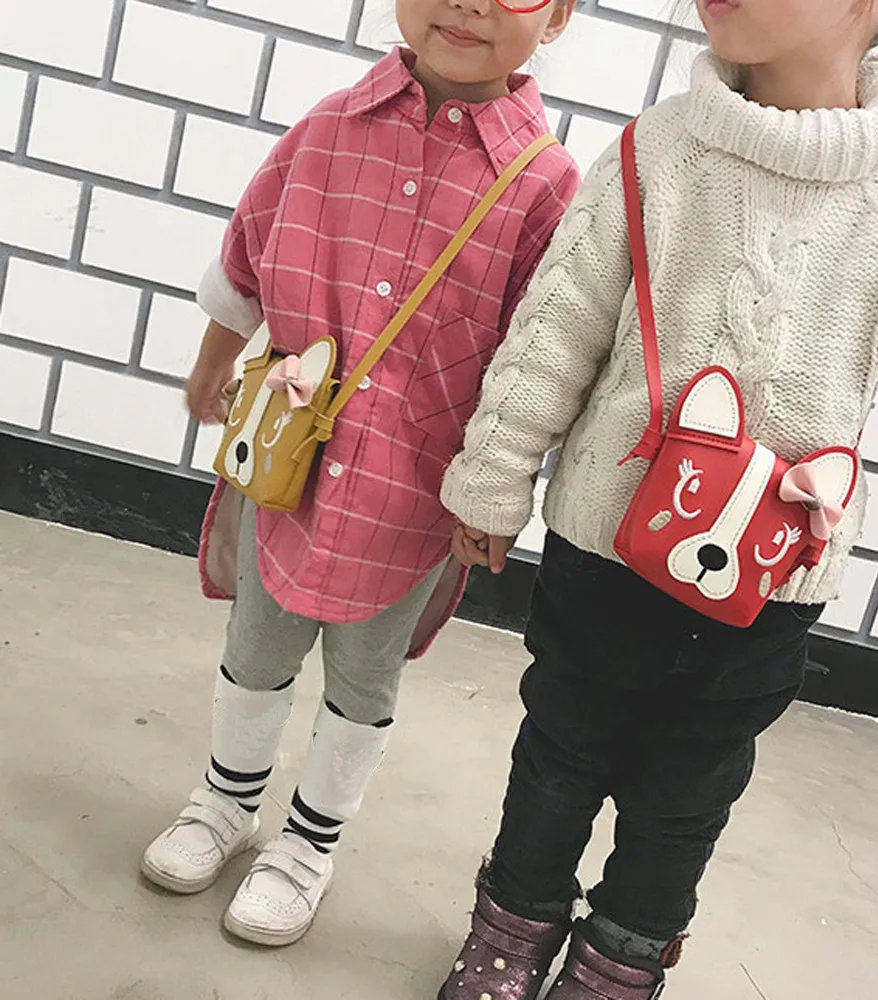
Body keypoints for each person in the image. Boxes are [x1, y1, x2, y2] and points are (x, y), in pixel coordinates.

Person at [438, 0, 878, 997]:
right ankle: (508, 936)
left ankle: (617, 966)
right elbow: (557, 326)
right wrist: (492, 477)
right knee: (556, 759)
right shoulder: (657, 149)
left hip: (766, 589)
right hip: (600, 556)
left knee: (685, 799)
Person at [139, 0, 580, 948]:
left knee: (365, 674)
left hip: (413, 492)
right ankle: (225, 801)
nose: (469, 3)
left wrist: (500, 492)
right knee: (257, 644)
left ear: (558, 18)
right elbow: (248, 250)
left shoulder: (546, 185)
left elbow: (543, 356)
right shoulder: (329, 126)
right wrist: (214, 362)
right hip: (288, 464)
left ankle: (308, 844)